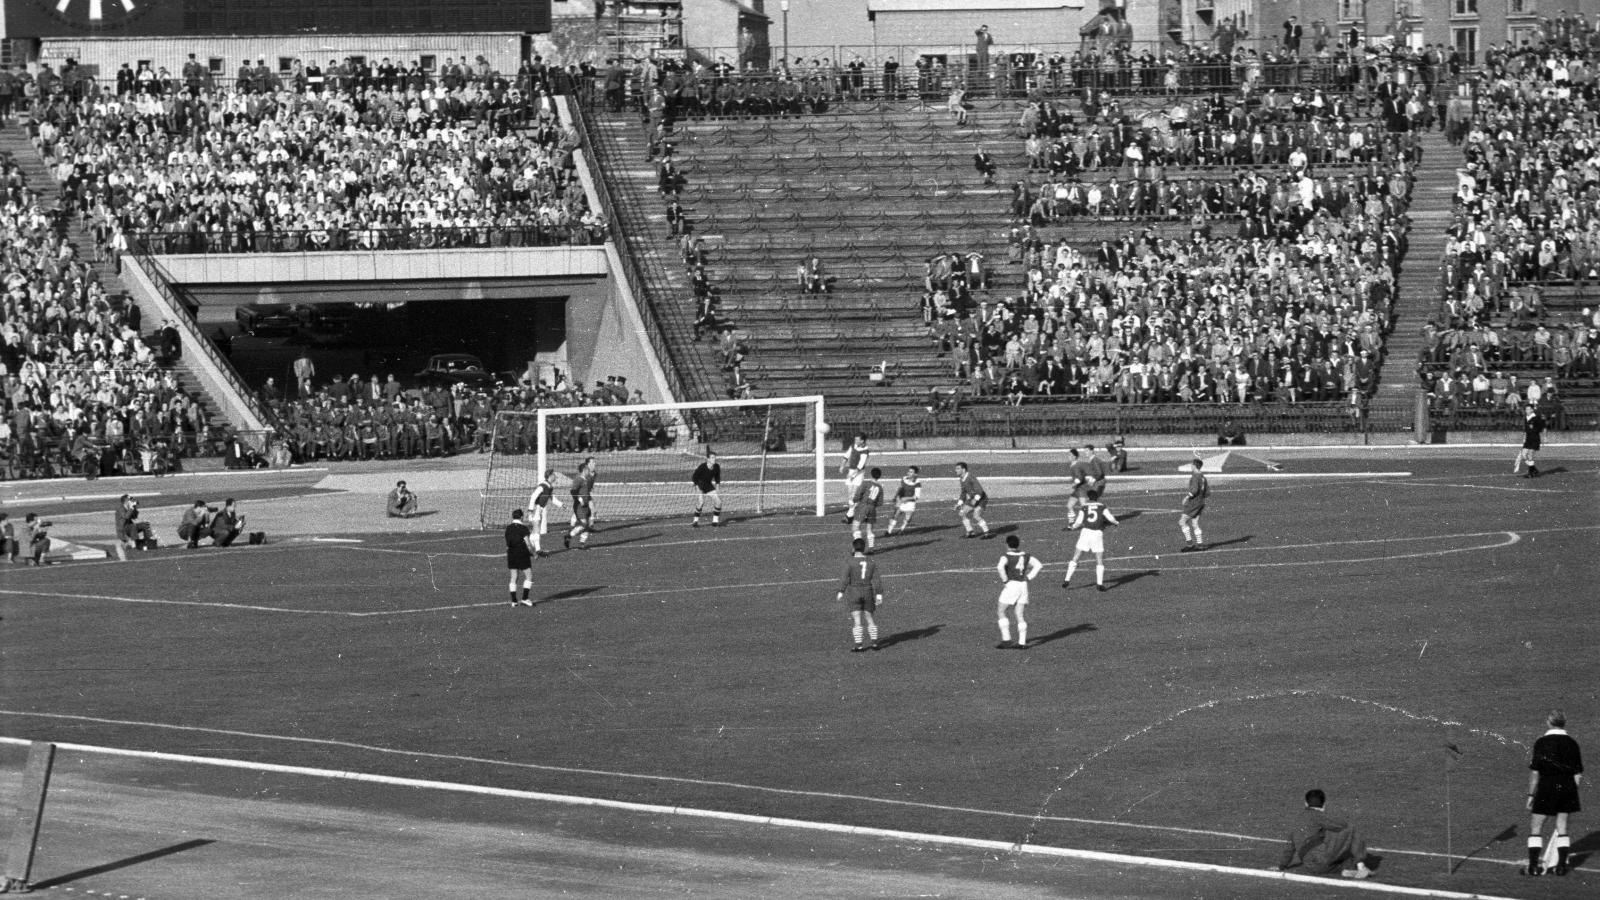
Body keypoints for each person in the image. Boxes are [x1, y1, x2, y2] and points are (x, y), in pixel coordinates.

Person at [1525, 710, 1583, 876]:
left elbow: (1535, 773)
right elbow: (1578, 773)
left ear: (1549, 722)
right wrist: (1572, 791)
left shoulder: (1542, 742)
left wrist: (1530, 795)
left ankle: (1534, 867)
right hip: (1567, 788)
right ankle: (1561, 867)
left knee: (1536, 826)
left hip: (1546, 787)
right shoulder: (1572, 743)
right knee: (1562, 827)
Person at [1274, 789, 1374, 879]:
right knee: (1351, 829)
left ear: (1306, 803)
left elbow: (1289, 849)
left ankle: (1345, 870)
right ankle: (1361, 867)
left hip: (1310, 866)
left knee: (1325, 844)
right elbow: (1342, 826)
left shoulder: (1297, 820)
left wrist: (1281, 866)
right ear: (1324, 804)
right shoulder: (1320, 816)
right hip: (1321, 859)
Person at [994, 534, 1043, 649]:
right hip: (1023, 585)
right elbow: (1039, 565)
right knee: (1019, 614)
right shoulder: (1025, 555)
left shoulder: (1006, 556)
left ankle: (1006, 639)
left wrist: (1005, 580)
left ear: (1007, 544)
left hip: (1012, 585)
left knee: (1001, 611)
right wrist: (1029, 577)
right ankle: (1022, 643)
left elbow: (1000, 567)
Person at [836, 537, 884, 652]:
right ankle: (874, 644)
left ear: (853, 548)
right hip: (868, 591)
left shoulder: (850, 562)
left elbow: (845, 578)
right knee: (869, 617)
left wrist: (840, 591)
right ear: (864, 548)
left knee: (857, 618)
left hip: (854, 592)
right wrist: (879, 595)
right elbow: (876, 579)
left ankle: (859, 645)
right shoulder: (871, 562)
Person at [1062, 495, 1119, 592]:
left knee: (1076, 556)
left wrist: (1072, 527)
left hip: (1085, 533)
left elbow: (1079, 522)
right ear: (1097, 497)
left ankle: (1067, 580)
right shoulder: (1102, 506)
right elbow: (1110, 518)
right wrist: (1116, 522)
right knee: (1099, 559)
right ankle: (1099, 584)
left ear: (1089, 497)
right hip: (1097, 533)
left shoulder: (1084, 507)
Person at [527, 469, 563, 556]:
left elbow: (552, 498)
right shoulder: (543, 486)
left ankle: (529, 550)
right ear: (550, 476)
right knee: (537, 530)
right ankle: (538, 550)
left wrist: (561, 505)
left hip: (539, 510)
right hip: (536, 509)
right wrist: (531, 510)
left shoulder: (549, 486)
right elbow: (533, 496)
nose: (555, 476)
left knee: (534, 531)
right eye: (554, 474)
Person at [848, 467, 885, 552]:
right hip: (872, 509)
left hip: (863, 507)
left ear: (871, 474)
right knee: (870, 529)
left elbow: (858, 494)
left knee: (855, 526)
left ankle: (858, 547)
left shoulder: (866, 483)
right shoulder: (880, 487)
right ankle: (871, 549)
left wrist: (853, 500)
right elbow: (880, 502)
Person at [506, 509, 536, 607]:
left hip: (511, 553)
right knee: (529, 576)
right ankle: (525, 598)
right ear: (521, 517)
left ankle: (514, 601)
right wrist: (534, 553)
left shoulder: (508, 528)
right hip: (522, 554)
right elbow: (528, 543)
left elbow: (508, 543)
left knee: (514, 577)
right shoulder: (523, 528)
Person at [565, 457, 597, 549]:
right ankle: (569, 535)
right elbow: (573, 491)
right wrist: (580, 500)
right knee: (584, 524)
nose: (589, 470)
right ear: (584, 470)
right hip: (579, 506)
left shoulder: (587, 479)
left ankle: (582, 543)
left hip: (586, 505)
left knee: (586, 525)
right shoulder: (578, 479)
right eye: (587, 469)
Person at [1180, 457, 1210, 552]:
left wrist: (1187, 497)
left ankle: (1190, 545)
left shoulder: (1195, 477)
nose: (1191, 466)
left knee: (1182, 522)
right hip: (1201, 502)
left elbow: (1194, 490)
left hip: (1194, 503)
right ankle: (1200, 545)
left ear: (1194, 466)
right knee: (1195, 523)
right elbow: (1207, 492)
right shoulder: (1203, 477)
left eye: (1191, 464)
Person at [955, 461, 991, 538]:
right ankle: (970, 532)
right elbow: (963, 493)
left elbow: (980, 490)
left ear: (963, 470)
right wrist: (959, 503)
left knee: (976, 515)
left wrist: (976, 499)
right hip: (972, 499)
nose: (956, 470)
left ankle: (987, 532)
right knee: (962, 513)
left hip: (981, 499)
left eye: (958, 469)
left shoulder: (970, 477)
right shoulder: (962, 479)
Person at [840, 433, 870, 519]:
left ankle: (850, 515)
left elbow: (860, 466)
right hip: (851, 471)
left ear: (862, 441)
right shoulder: (853, 446)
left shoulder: (865, 450)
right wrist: (842, 466)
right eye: (855, 439)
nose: (855, 441)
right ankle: (858, 512)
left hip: (858, 473)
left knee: (854, 495)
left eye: (857, 440)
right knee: (850, 494)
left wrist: (853, 475)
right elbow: (846, 456)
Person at [885, 465, 922, 536]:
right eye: (909, 471)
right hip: (902, 501)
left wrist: (906, 498)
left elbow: (916, 497)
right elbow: (900, 489)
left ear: (915, 474)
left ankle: (901, 530)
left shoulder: (917, 483)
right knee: (895, 515)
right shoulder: (904, 479)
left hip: (910, 503)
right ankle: (888, 531)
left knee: (907, 518)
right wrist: (897, 497)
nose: (909, 473)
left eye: (911, 472)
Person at [691, 451, 723, 527]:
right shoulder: (702, 466)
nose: (714, 459)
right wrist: (697, 486)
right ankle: (695, 521)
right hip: (700, 485)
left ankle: (715, 522)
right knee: (701, 502)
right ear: (708, 459)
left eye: (715, 457)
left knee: (719, 502)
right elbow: (694, 477)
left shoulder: (717, 467)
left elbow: (717, 478)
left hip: (708, 485)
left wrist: (717, 488)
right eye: (712, 457)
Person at [1514, 407, 1546, 478]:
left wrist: (1545, 437)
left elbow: (1544, 427)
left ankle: (1531, 473)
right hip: (1528, 439)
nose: (1527, 411)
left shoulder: (1537, 418)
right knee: (1524, 455)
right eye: (1526, 409)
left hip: (1535, 439)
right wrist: (1524, 438)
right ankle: (1534, 470)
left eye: (1528, 409)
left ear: (1532, 410)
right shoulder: (1526, 418)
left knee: (1530, 454)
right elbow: (1526, 430)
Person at [1066, 447, 1091, 519]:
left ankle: (1094, 520)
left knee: (1084, 507)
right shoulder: (1074, 465)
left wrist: (1072, 485)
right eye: (1068, 455)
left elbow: (1079, 478)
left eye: (1070, 455)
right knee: (1069, 505)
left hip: (1081, 489)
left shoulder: (1075, 466)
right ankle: (1072, 522)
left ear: (1074, 457)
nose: (1069, 457)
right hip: (1077, 489)